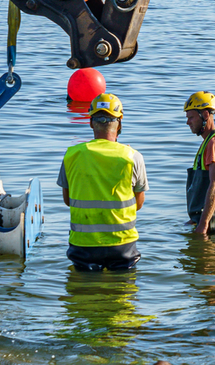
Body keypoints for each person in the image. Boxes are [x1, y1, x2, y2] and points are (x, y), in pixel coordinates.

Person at [57, 93, 148, 270]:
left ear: (91, 122)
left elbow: (68, 200)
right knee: (123, 286)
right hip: (122, 244)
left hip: (83, 244)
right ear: (119, 123)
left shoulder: (71, 155)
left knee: (82, 286)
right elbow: (138, 204)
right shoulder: (133, 156)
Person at [183, 91, 215, 235]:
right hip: (206, 225)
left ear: (205, 115)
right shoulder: (207, 142)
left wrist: (203, 224)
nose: (187, 122)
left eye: (191, 117)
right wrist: (195, 220)